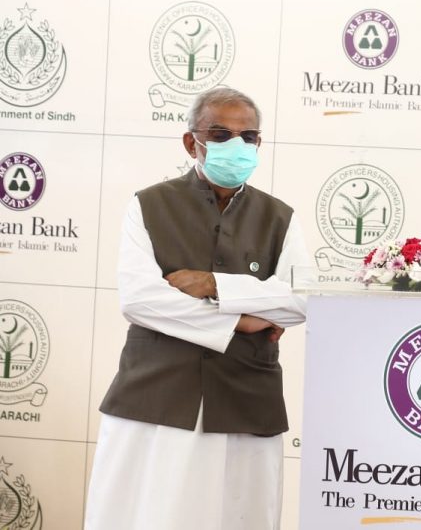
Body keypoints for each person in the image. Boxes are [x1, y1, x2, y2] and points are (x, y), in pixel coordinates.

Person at [85, 87, 309, 530]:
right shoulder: (149, 205)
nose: (237, 145)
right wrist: (240, 320)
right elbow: (140, 299)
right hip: (155, 395)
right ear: (192, 142)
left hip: (245, 397)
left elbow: (301, 299)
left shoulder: (280, 217)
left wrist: (214, 285)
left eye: (248, 137)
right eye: (221, 134)